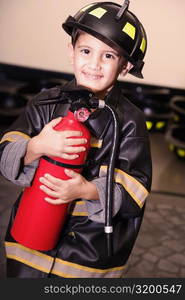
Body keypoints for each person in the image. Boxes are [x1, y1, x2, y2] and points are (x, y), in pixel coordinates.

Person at [0, 1, 152, 278]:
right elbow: (5, 151)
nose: (94, 64)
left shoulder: (130, 121)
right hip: (28, 248)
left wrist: (85, 190)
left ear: (126, 66)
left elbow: (136, 190)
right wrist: (36, 146)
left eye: (108, 56)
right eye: (86, 51)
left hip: (86, 258)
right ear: (71, 52)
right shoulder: (45, 103)